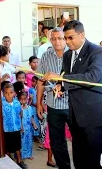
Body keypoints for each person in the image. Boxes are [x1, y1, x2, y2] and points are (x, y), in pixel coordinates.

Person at [43, 20, 102, 169]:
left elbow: (92, 77)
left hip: (94, 115)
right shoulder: (68, 55)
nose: (67, 42)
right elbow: (66, 76)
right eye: (65, 38)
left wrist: (62, 79)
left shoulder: (97, 51)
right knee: (79, 157)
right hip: (75, 114)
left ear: (82, 35)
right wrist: (60, 86)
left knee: (96, 159)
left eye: (70, 38)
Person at [37, 27, 71, 169]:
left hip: (72, 105)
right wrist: (39, 103)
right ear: (50, 40)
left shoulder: (73, 55)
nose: (57, 41)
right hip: (53, 105)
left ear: (66, 39)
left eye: (61, 38)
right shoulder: (46, 56)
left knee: (80, 139)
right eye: (54, 38)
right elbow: (40, 80)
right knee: (57, 141)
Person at [1, 82, 27, 169]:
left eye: (11, 93)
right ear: (3, 93)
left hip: (16, 128)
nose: (9, 95)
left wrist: (21, 126)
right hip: (7, 129)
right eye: (6, 93)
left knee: (17, 145)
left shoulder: (17, 103)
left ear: (14, 93)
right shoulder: (2, 104)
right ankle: (8, 160)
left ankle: (19, 160)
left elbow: (20, 114)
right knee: (8, 146)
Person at [18, 91, 38, 160]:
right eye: (21, 99)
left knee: (29, 142)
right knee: (23, 142)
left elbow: (31, 117)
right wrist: (21, 127)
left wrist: (34, 124)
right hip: (23, 129)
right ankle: (22, 155)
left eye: (25, 99)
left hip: (29, 129)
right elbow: (19, 119)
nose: (23, 101)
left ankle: (29, 154)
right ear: (19, 100)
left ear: (27, 99)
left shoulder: (30, 108)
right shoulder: (19, 109)